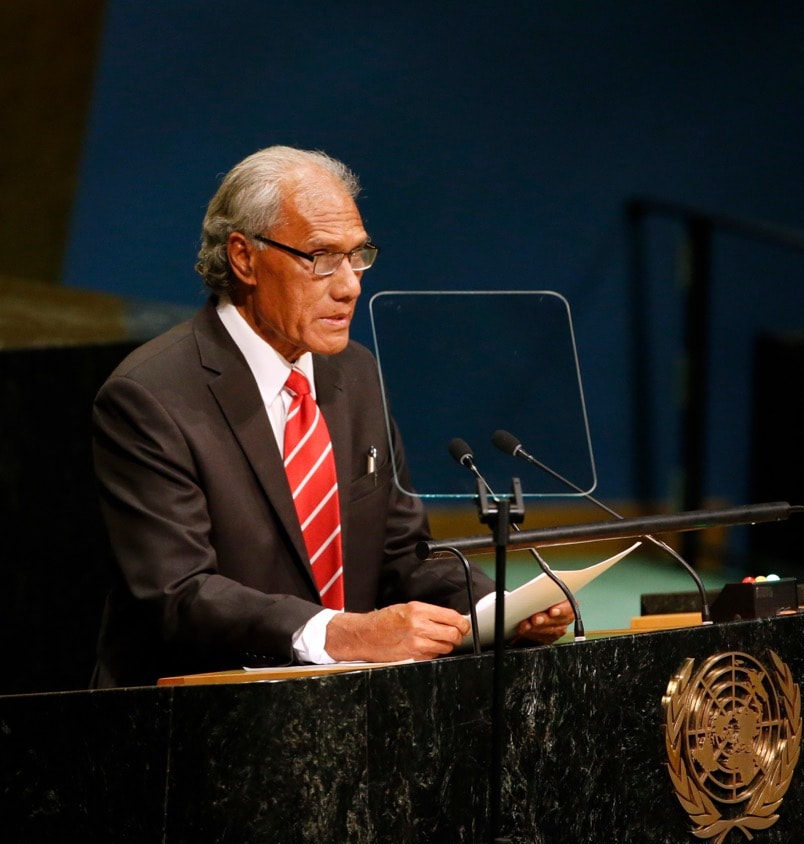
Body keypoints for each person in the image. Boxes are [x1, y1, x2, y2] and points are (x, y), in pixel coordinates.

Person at [90, 145, 573, 687]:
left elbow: (403, 557)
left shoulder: (354, 373)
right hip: (194, 719)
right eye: (321, 258)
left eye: (357, 256)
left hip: (344, 713)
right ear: (244, 257)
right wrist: (345, 634)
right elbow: (179, 594)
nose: (349, 286)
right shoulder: (150, 396)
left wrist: (502, 609)